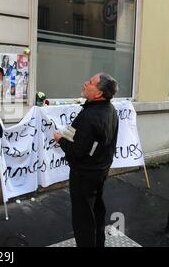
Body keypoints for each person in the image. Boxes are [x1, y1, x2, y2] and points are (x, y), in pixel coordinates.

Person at [53, 73, 119, 247]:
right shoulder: (109, 109)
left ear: (98, 94)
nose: (85, 83)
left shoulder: (91, 116)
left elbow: (77, 151)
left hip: (85, 175)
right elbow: (90, 142)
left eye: (90, 82)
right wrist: (68, 135)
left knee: (83, 219)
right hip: (100, 171)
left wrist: (60, 139)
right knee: (96, 211)